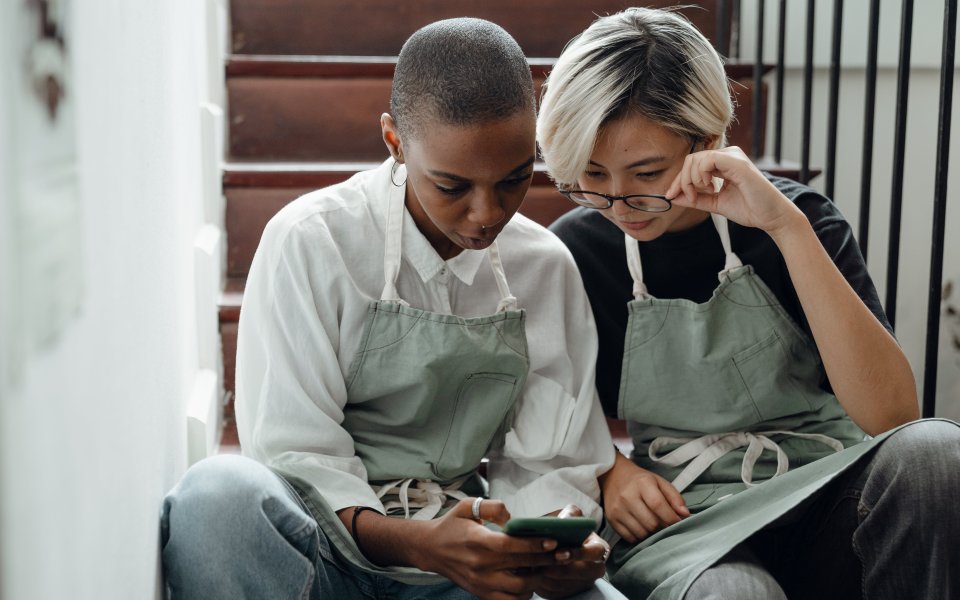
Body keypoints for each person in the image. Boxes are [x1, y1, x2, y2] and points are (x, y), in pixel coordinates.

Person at [161, 18, 625, 600]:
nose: (487, 213)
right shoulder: (312, 242)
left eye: (514, 179)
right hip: (323, 554)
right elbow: (294, 454)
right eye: (452, 186)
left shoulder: (545, 266)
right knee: (215, 496)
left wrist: (552, 549)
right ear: (395, 142)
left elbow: (551, 463)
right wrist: (418, 542)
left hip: (468, 559)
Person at [537, 7, 960, 600]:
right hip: (690, 524)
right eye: (590, 172)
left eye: (645, 172)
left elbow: (893, 417)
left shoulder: (800, 220)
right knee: (736, 593)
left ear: (707, 141)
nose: (617, 201)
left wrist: (785, 229)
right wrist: (609, 467)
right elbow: (540, 413)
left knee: (937, 452)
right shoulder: (577, 249)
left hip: (825, 489)